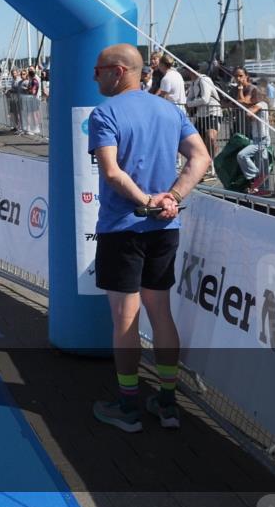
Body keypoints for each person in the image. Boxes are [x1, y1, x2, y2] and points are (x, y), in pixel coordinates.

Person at [88, 44, 209, 433]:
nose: (96, 77)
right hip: (164, 229)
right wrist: (170, 199)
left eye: (99, 70)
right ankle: (168, 403)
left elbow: (111, 173)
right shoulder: (171, 110)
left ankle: (128, 407)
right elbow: (201, 158)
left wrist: (148, 202)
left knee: (125, 319)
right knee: (161, 313)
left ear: (119, 71)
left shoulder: (105, 112)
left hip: (125, 228)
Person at [184, 64, 222, 176]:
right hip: (201, 115)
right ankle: (205, 164)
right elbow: (189, 98)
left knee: (210, 138)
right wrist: (189, 102)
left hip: (213, 112)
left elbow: (205, 99)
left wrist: (190, 104)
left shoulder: (204, 79)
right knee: (198, 141)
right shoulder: (193, 83)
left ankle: (212, 163)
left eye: (187, 70)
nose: (186, 73)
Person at [236, 87, 272, 194]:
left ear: (260, 96)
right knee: (263, 164)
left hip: (262, 139)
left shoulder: (262, 104)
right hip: (258, 139)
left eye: (253, 95)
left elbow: (249, 113)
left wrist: (251, 114)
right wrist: (240, 89)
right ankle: (263, 188)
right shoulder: (257, 105)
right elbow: (240, 102)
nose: (251, 97)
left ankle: (257, 178)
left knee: (242, 155)